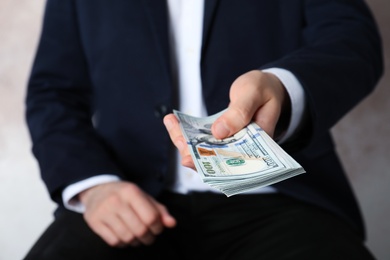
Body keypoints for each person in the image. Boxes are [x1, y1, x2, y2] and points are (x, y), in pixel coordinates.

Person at [23, 0, 383, 259]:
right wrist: (95, 187)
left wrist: (282, 87)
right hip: (127, 194)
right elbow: (52, 91)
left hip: (284, 200)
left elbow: (353, 41)